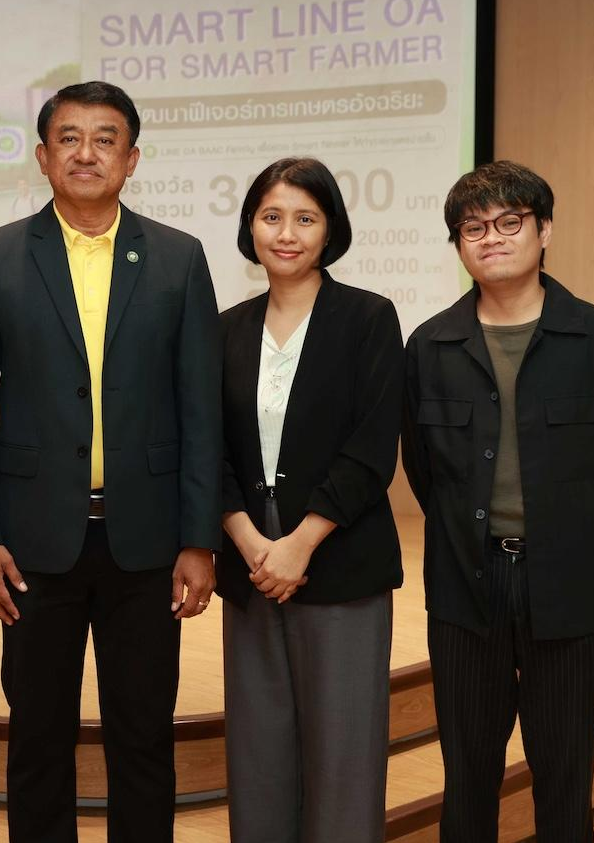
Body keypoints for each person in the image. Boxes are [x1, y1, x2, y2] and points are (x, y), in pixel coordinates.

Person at [0, 80, 222, 843]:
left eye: (105, 139)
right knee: (37, 737)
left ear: (132, 159)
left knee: (144, 736)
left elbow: (200, 410)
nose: (86, 152)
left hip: (148, 542)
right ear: (42, 157)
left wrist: (199, 538)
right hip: (31, 544)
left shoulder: (178, 258)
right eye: (69, 138)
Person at [402, 160, 594, 842]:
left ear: (544, 230)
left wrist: (585, 542)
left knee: (565, 777)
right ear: (458, 244)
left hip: (571, 585)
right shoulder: (429, 347)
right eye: (473, 227)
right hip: (466, 586)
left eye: (509, 222)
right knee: (467, 778)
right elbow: (425, 472)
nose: (491, 238)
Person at [217, 157, 403, 843]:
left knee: (343, 748)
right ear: (251, 227)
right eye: (271, 217)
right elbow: (207, 447)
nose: (286, 233)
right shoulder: (225, 328)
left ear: (330, 230)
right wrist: (247, 538)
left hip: (337, 547)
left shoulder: (368, 318)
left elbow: (372, 445)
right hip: (249, 553)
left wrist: (300, 543)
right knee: (258, 746)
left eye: (305, 218)